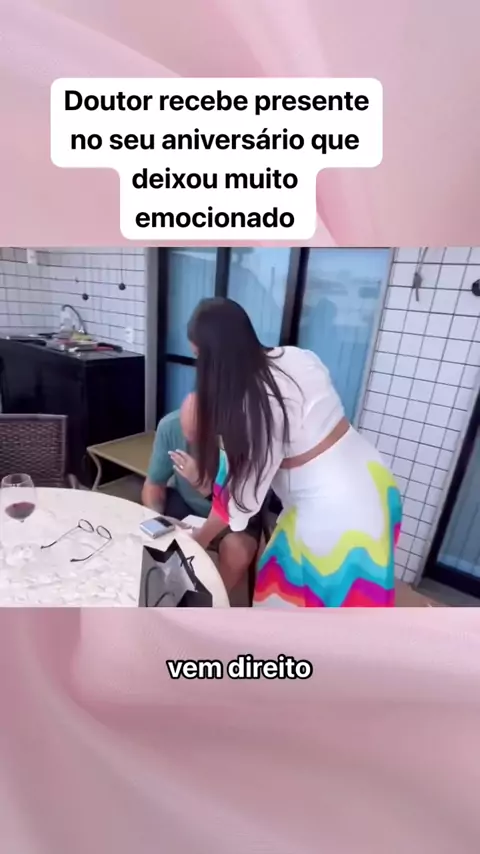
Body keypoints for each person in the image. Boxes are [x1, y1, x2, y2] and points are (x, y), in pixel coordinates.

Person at [186, 297, 403, 608]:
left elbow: (242, 496)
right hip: (375, 483)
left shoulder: (254, 405)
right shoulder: (296, 357)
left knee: (287, 600)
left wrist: (201, 537)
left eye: (199, 357)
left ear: (216, 359)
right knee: (338, 603)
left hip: (338, 513)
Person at [142, 392, 263, 594]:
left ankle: (214, 600)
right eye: (186, 433)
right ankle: (169, 593)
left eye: (198, 436)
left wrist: (203, 486)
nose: (191, 442)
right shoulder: (169, 426)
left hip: (234, 514)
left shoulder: (242, 437)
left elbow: (233, 505)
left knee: (238, 551)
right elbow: (153, 484)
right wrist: (158, 519)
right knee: (157, 533)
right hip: (186, 505)